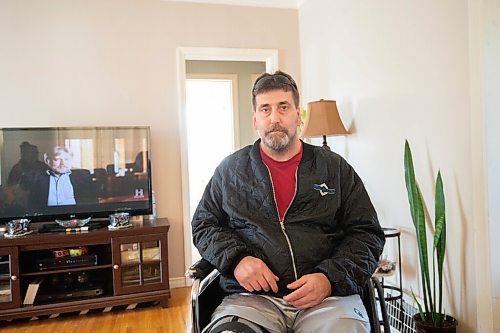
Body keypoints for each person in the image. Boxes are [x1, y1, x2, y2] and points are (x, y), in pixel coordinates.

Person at [191, 70, 386, 333]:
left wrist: (329, 278)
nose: (274, 118)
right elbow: (203, 224)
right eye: (265, 109)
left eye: (283, 107)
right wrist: (237, 260)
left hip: (329, 300)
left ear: (298, 115)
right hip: (251, 302)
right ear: (255, 120)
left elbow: (367, 233)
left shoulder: (335, 168)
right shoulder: (230, 171)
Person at [19, 146, 96, 208]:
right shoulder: (35, 177)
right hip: (48, 218)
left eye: (66, 159)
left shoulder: (82, 176)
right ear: (48, 161)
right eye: (57, 160)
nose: (62, 164)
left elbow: (90, 203)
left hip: (75, 218)